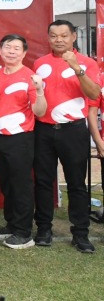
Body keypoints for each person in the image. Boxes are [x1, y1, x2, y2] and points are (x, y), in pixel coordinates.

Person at [33, 20, 104, 253]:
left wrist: (77, 68)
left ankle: (80, 233)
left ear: (74, 36)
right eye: (54, 36)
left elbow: (94, 93)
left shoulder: (88, 63)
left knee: (76, 184)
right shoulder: (40, 63)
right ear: (48, 38)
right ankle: (44, 228)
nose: (59, 40)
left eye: (64, 35)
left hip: (73, 130)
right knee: (43, 181)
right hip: (43, 130)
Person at [0, 34, 46, 249]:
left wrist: (39, 90)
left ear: (23, 53)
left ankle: (24, 232)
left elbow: (39, 111)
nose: (11, 51)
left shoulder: (30, 77)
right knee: (7, 183)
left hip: (20, 137)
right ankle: (12, 223)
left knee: (21, 184)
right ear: (0, 50)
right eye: (7, 47)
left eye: (16, 48)